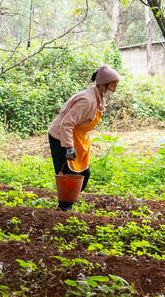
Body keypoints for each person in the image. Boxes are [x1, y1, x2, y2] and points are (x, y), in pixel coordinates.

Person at [48, 64, 120, 211]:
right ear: (102, 84)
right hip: (61, 136)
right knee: (67, 174)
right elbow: (66, 123)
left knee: (83, 173)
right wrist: (69, 147)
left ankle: (69, 201)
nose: (114, 89)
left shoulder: (98, 96)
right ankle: (63, 209)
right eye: (112, 85)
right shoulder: (87, 100)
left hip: (77, 137)